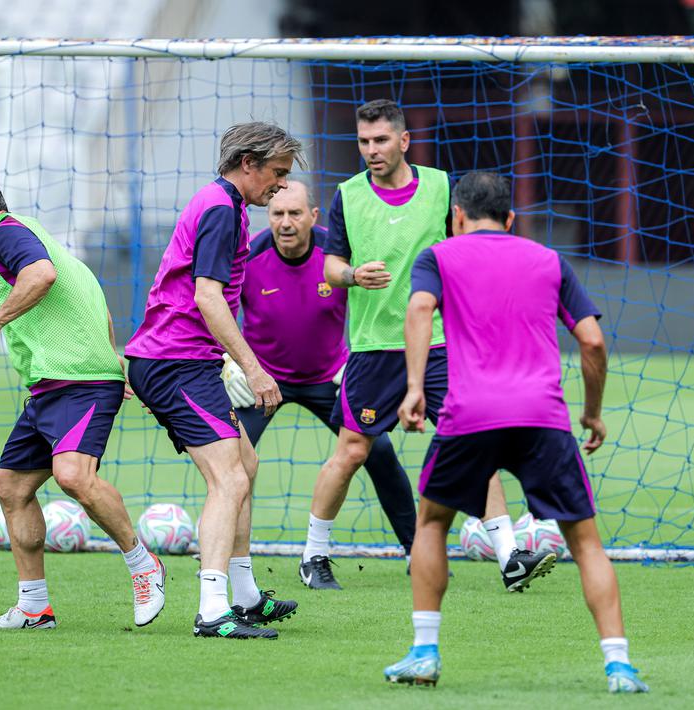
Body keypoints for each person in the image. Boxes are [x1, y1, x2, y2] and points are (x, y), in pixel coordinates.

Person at [383, 172, 647, 694]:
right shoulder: (549, 261)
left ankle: (424, 653)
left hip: (469, 414)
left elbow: (418, 309)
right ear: (510, 219)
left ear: (456, 216)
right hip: (542, 418)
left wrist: (414, 387)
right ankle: (619, 666)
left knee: (432, 523)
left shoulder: (438, 257)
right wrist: (592, 412)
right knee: (586, 542)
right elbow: (592, 341)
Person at [301, 99, 546, 591]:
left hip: (438, 343)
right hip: (374, 347)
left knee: (473, 438)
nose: (371, 150)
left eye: (381, 140)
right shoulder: (347, 196)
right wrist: (351, 275)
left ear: (404, 140)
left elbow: (467, 249)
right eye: (364, 141)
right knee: (352, 452)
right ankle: (314, 555)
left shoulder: (439, 188)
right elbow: (330, 267)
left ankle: (509, 556)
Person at [0, 169, 165, 630]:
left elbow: (43, 275)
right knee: (11, 487)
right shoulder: (28, 234)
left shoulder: (6, 233)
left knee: (73, 476)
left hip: (79, 382)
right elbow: (86, 289)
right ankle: (34, 607)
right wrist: (114, 356)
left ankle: (144, 566)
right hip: (52, 385)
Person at [125, 122, 303, 639]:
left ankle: (244, 597)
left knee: (246, 461)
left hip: (179, 360)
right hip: (175, 363)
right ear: (248, 163)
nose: (281, 186)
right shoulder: (222, 208)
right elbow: (206, 296)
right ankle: (212, 610)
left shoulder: (219, 203)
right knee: (228, 477)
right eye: (277, 174)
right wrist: (252, 367)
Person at [223, 178, 416, 557]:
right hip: (262, 382)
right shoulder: (248, 257)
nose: (286, 223)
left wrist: (357, 357)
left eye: (295, 213)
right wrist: (229, 362)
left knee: (379, 453)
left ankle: (416, 550)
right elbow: (218, 309)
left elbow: (376, 307)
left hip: (330, 377)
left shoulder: (336, 255)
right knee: (228, 463)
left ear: (313, 216)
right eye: (277, 214)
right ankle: (222, 553)